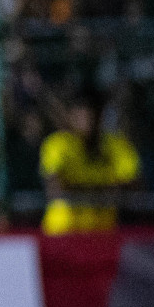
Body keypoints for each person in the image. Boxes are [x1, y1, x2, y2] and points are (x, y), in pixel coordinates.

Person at [39, 87, 139, 234]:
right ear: (70, 115)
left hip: (103, 234)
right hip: (63, 233)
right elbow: (55, 188)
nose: (88, 117)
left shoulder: (117, 145)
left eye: (93, 110)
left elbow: (134, 186)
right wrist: (103, 191)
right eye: (81, 111)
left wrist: (78, 188)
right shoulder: (58, 144)